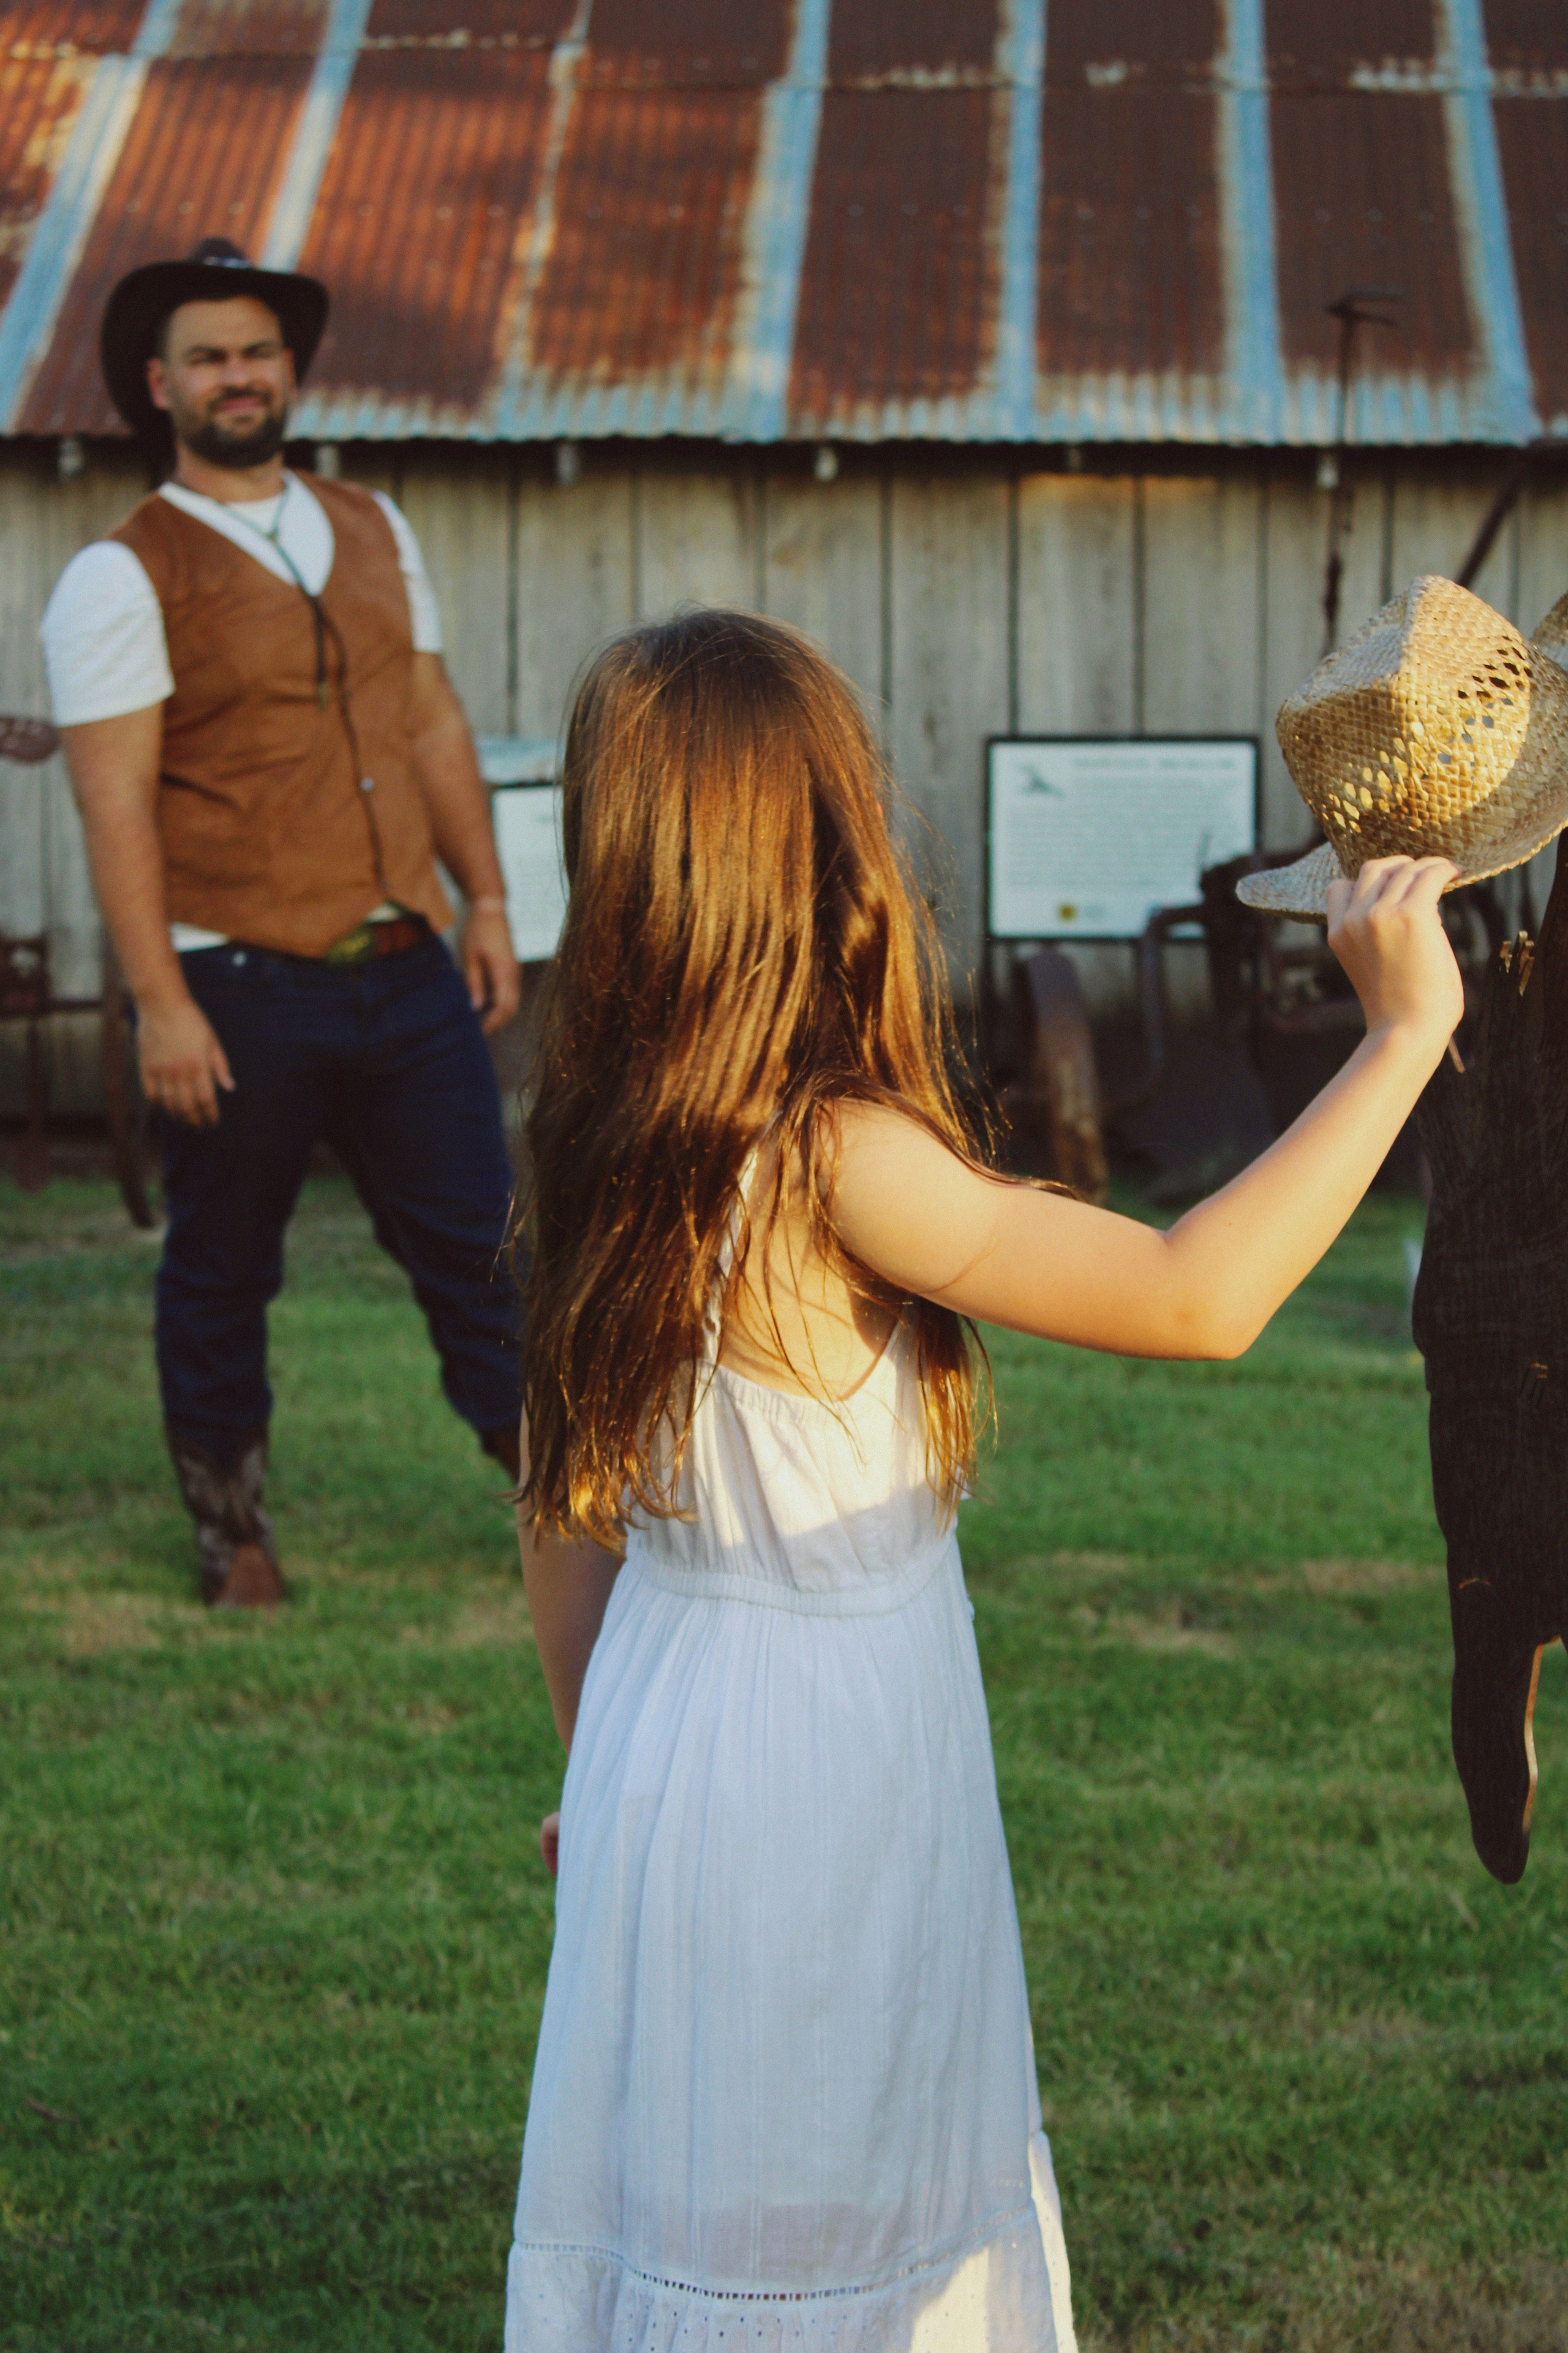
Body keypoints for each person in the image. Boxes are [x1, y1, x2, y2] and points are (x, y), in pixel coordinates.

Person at [504, 609, 1462, 2349]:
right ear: (823, 846)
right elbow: (1195, 1297)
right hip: (817, 1765)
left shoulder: (604, 1136)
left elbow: (559, 1515)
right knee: (832, 2180)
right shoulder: (834, 1153)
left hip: (668, 1734)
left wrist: (609, 1767)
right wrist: (1395, 1041)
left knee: (707, 2188)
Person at [41, 239, 524, 1609]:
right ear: (160, 384)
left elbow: (429, 722)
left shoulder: (374, 524)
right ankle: (231, 1528)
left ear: (290, 368)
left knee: (485, 1243)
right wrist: (162, 1001)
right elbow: (116, 805)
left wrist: (483, 895)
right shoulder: (119, 576)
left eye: (257, 350)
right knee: (223, 1262)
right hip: (238, 978)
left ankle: (563, 1495)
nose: (238, 375)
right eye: (207, 356)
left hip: (405, 959)